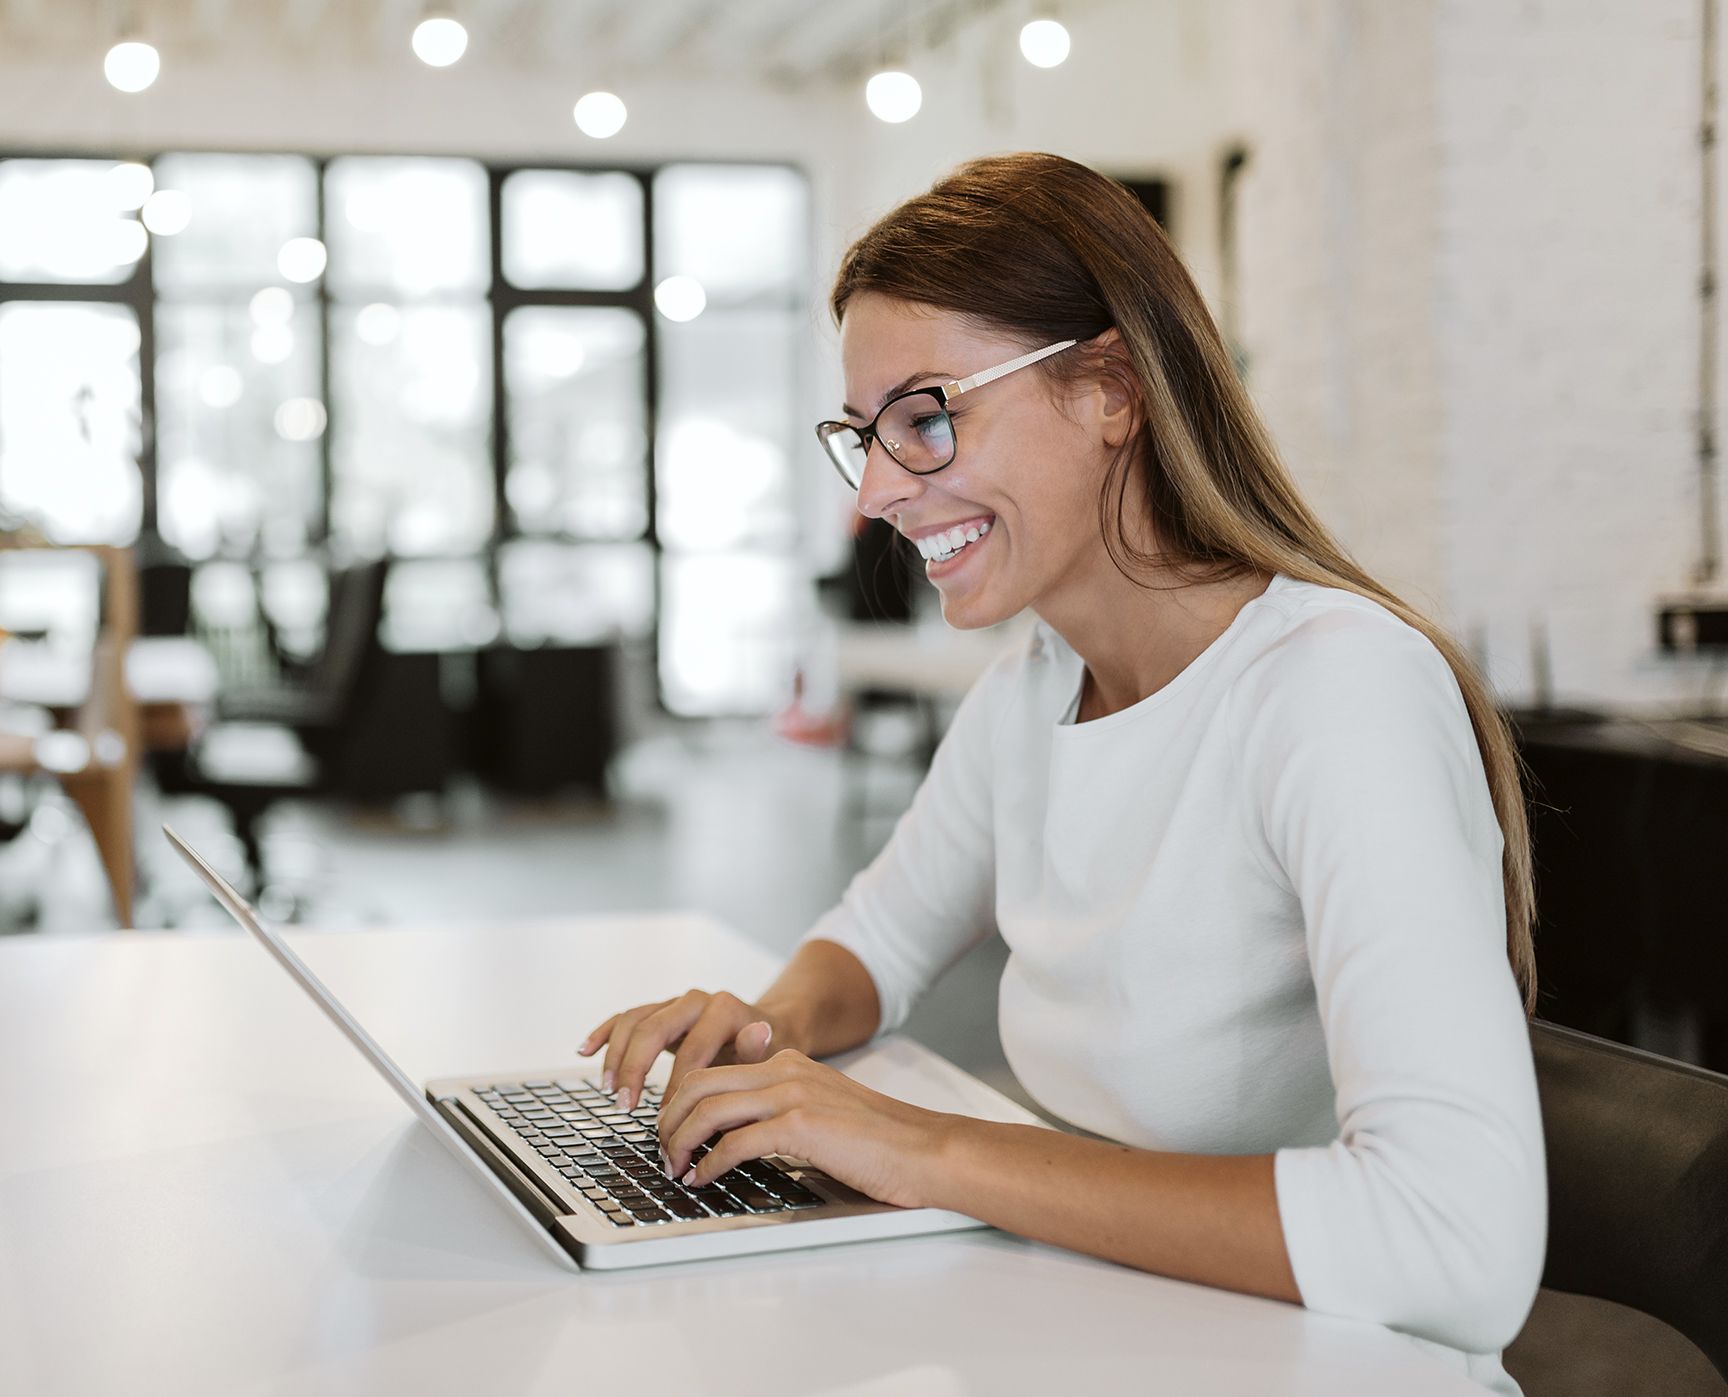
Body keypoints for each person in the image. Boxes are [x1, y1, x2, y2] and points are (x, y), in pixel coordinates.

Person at [578, 153, 1544, 1394]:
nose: (876, 490)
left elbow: (1452, 1242)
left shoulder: (1337, 689)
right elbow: (877, 938)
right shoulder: (1039, 681)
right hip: (1116, 1325)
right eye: (865, 436)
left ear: (1111, 391)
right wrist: (762, 1039)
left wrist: (918, 1142)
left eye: (927, 418)